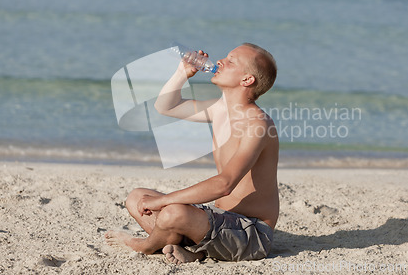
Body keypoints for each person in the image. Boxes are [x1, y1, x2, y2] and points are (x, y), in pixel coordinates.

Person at [105, 43, 279, 264]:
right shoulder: (220, 109)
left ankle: (145, 246)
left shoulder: (257, 124)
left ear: (247, 80)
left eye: (231, 61)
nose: (220, 61)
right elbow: (166, 107)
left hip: (251, 234)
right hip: (218, 221)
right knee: (136, 197)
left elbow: (225, 184)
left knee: (171, 212)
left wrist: (164, 201)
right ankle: (193, 251)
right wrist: (182, 73)